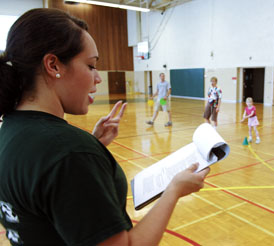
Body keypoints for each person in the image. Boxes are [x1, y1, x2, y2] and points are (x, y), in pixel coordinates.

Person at [0, 9, 209, 245]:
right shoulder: (68, 153)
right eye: (90, 66)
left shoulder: (10, 130)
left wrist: (93, 144)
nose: (98, 78)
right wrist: (173, 191)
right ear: (53, 65)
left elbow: (44, 199)